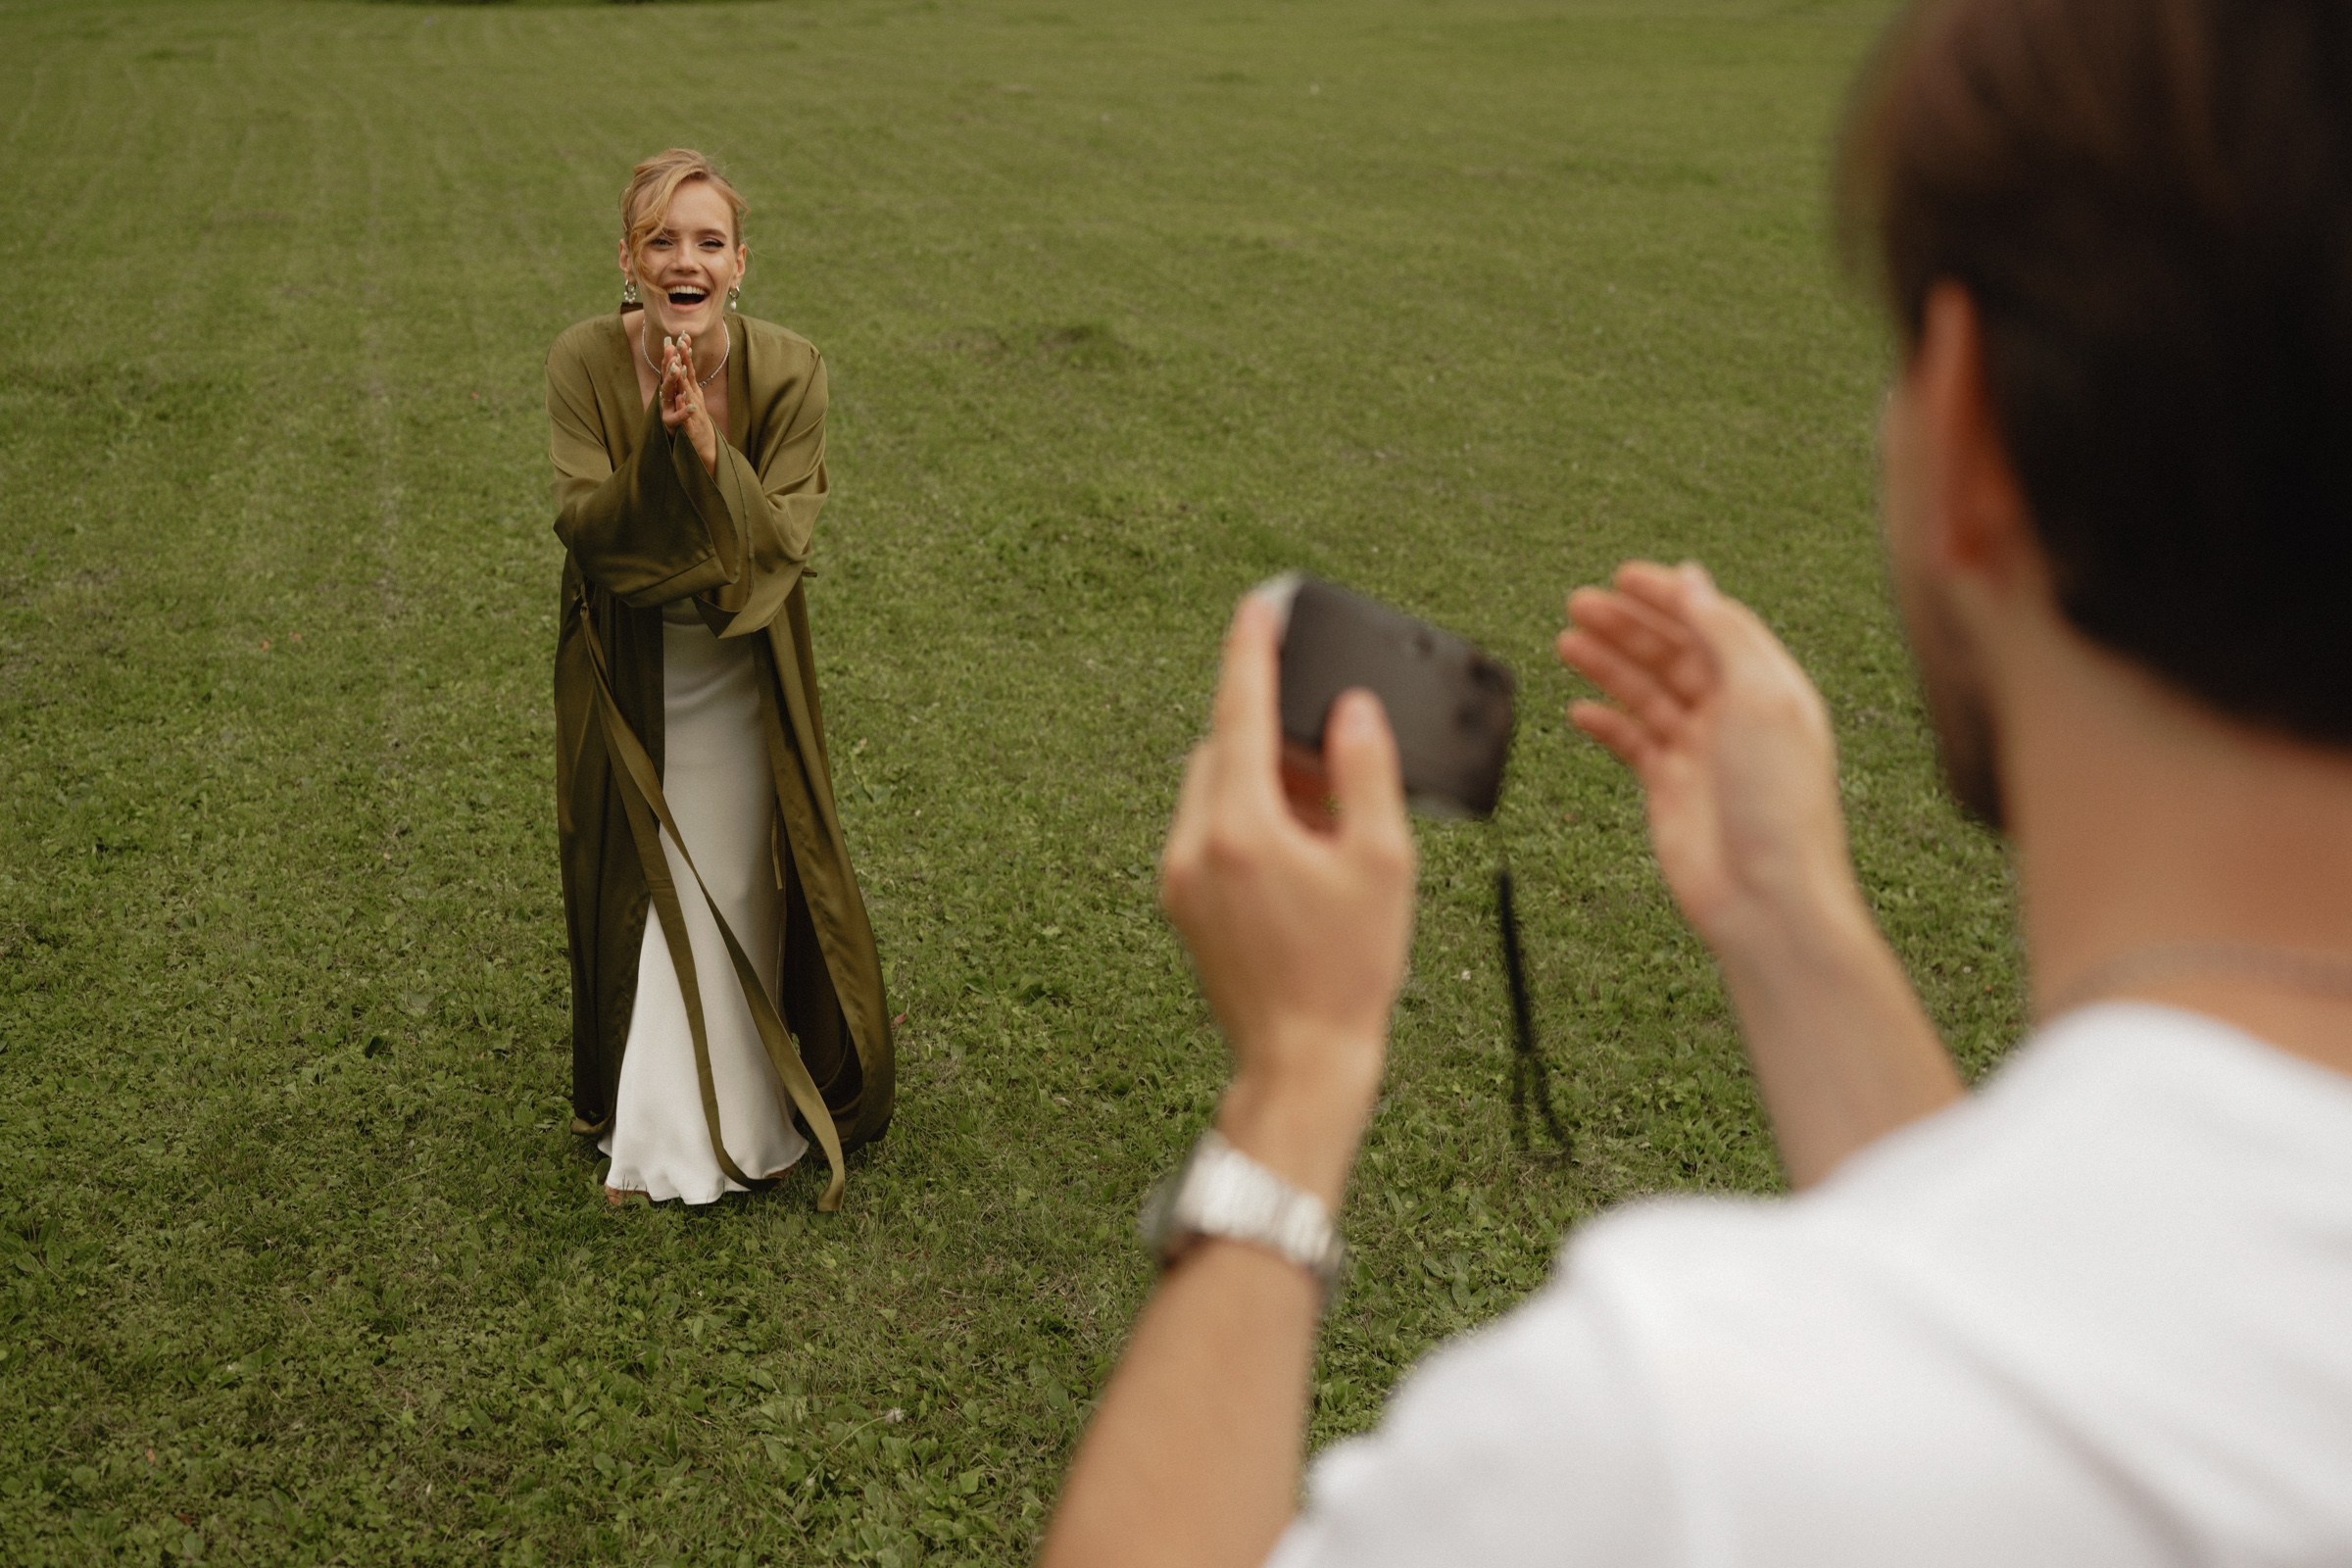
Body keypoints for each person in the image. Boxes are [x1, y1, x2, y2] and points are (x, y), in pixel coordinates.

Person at [1041, 0, 2352, 1561]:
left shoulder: (1680, 1443)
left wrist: (1296, 1080)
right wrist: (1795, 929)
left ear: (1971, 430)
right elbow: (2081, 1317)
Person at [547, 149, 893, 1211]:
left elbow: (781, 538)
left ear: (739, 263)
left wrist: (707, 447)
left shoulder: (792, 369)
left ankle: (743, 1118)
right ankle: (652, 1136)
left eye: (706, 240)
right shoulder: (581, 362)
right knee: (638, 883)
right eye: (660, 239)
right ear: (628, 259)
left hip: (746, 665)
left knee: (736, 880)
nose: (682, 258)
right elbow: (589, 528)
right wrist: (665, 455)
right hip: (630, 661)